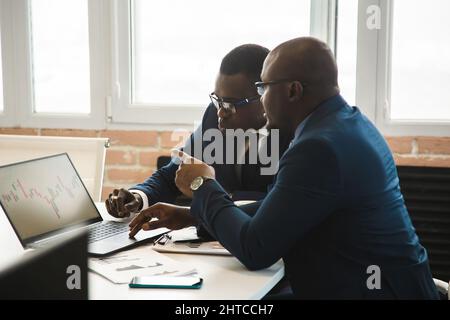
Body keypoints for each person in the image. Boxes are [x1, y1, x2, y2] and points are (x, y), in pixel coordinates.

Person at [129, 37, 440, 299]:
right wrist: (192, 214)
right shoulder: (346, 124)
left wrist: (202, 186)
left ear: (293, 91)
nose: (262, 101)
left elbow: (255, 249)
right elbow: (279, 209)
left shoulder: (317, 148)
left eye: (264, 89)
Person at [106, 44, 290, 230]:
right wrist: (138, 197)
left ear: (264, 96)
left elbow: (273, 206)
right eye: (217, 99)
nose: (221, 112)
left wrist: (207, 192)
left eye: (230, 104)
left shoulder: (291, 134)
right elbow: (172, 175)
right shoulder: (214, 115)